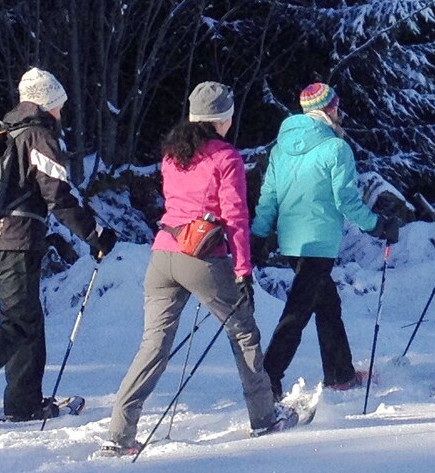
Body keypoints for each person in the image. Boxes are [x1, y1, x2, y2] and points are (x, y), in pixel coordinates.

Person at [98, 83, 294, 453]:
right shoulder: (226, 156)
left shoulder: (173, 155)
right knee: (244, 333)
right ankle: (265, 418)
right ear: (224, 118)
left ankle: (120, 434)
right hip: (203, 257)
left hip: (162, 256)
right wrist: (243, 268)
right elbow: (235, 216)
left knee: (153, 346)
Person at [0, 67, 117, 422]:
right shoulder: (38, 136)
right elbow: (58, 195)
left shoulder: (6, 134)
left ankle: (24, 402)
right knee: (19, 324)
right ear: (45, 104)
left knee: (26, 321)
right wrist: (94, 235)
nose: (62, 112)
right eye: (58, 105)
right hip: (15, 243)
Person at [252, 81, 400, 397]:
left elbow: (270, 196)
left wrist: (259, 235)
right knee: (298, 312)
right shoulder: (335, 147)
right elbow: (345, 200)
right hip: (319, 243)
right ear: (330, 109)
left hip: (291, 242)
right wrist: (376, 225)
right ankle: (268, 379)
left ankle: (340, 373)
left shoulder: (281, 147)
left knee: (327, 304)